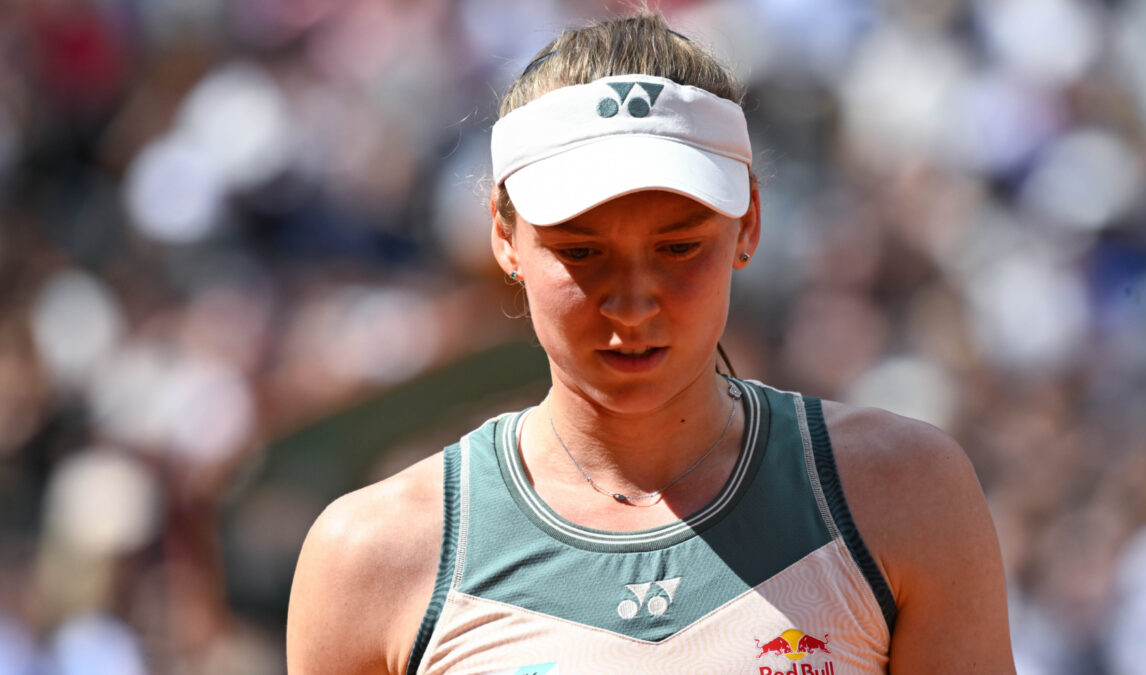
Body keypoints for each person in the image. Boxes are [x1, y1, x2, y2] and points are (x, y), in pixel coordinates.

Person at [287, 12, 1015, 675]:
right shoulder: (371, 556)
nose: (632, 301)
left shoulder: (906, 495)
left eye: (677, 246)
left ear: (749, 224)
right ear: (503, 237)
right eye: (581, 250)